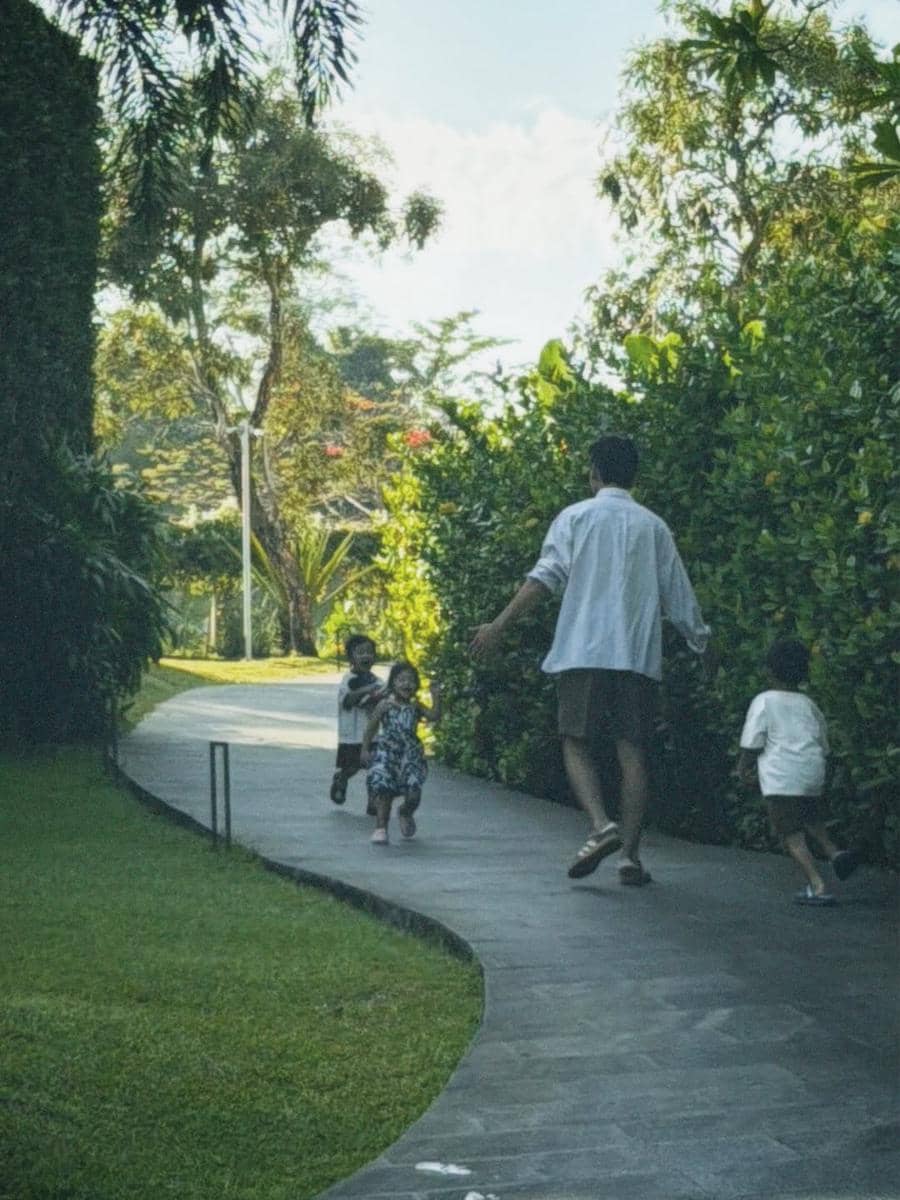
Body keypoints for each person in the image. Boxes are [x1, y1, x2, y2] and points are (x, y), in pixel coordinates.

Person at [470, 434, 713, 885]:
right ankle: (630, 859)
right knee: (632, 752)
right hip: (635, 655)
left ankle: (601, 825)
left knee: (575, 741)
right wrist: (702, 643)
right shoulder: (653, 527)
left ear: (595, 472)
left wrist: (499, 625)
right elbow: (678, 593)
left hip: (582, 649)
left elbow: (544, 578)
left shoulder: (576, 517)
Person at [737, 637, 859, 906]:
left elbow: (752, 741)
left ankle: (817, 885)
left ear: (769, 670)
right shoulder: (809, 705)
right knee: (811, 817)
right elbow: (824, 745)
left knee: (791, 834)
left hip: (781, 779)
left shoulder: (764, 701)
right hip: (811, 774)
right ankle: (833, 851)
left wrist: (743, 768)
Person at [360, 662, 442, 844]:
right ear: (393, 683)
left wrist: (436, 696)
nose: (406, 684)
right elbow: (371, 727)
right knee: (384, 792)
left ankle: (405, 811)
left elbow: (434, 716)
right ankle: (381, 828)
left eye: (411, 680)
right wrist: (365, 749)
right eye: (401, 680)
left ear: (416, 685)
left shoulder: (416, 706)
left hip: (410, 755)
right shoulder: (385, 705)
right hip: (387, 754)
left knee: (414, 794)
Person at [330, 634, 385, 812]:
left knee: (375, 768)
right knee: (352, 767)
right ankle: (341, 778)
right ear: (351, 658)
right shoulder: (348, 680)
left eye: (369, 652)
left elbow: (383, 699)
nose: (366, 656)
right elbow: (348, 700)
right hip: (352, 736)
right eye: (360, 653)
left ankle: (373, 801)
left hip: (372, 735)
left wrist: (379, 699)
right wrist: (367, 691)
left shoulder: (378, 682)